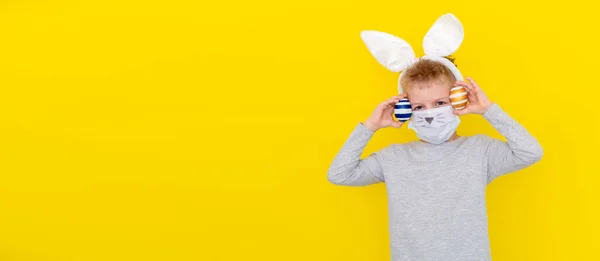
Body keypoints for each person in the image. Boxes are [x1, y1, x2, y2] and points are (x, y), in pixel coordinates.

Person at [326, 58, 543, 260]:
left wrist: (488, 110)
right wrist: (370, 126)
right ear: (405, 110)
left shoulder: (480, 151)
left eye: (440, 103)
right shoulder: (392, 158)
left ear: (458, 101)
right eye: (419, 107)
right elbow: (340, 174)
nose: (429, 114)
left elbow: (530, 151)